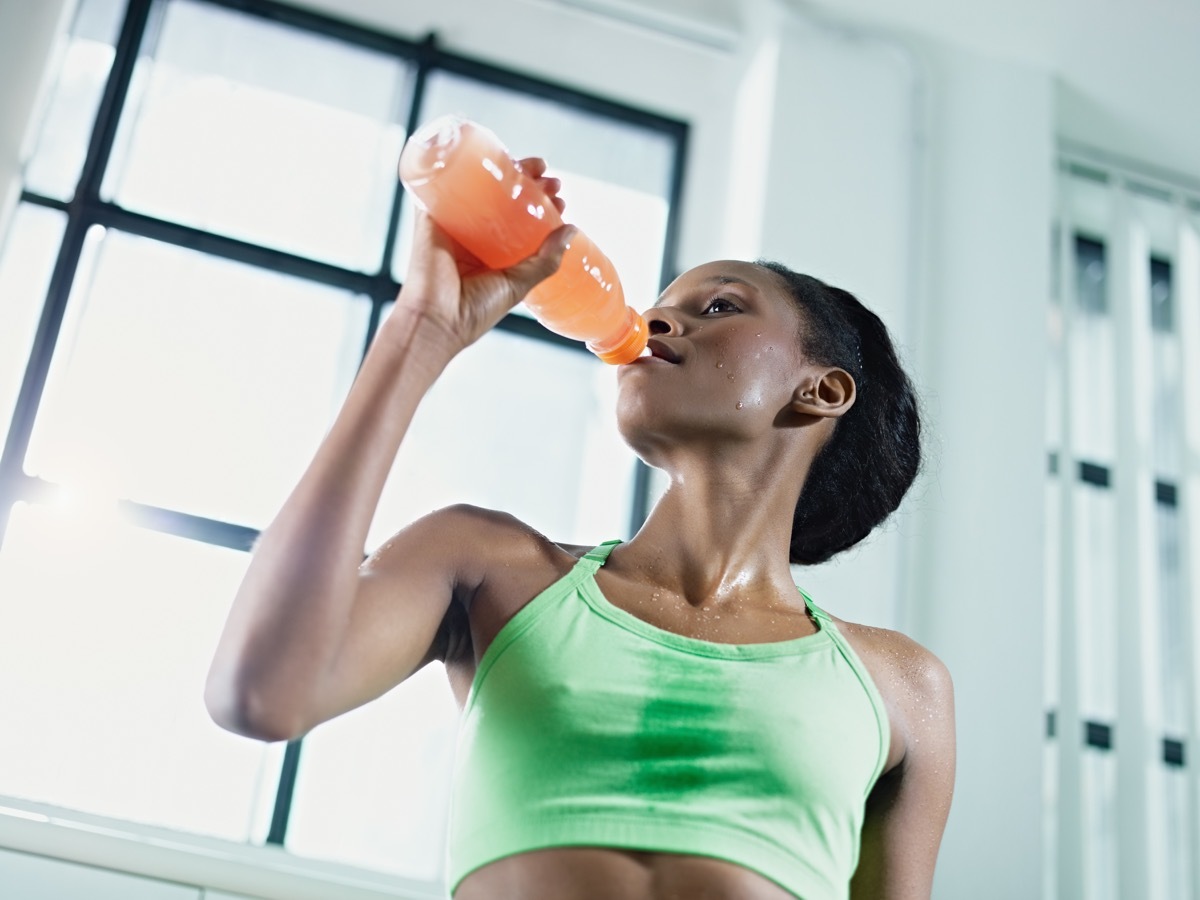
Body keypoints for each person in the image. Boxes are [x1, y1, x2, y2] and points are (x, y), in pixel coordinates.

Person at [205, 157, 955, 900]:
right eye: (661, 302)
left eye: (720, 306)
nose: (658, 318)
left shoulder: (899, 687)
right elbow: (261, 694)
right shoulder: (487, 566)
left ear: (822, 391)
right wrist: (421, 329)